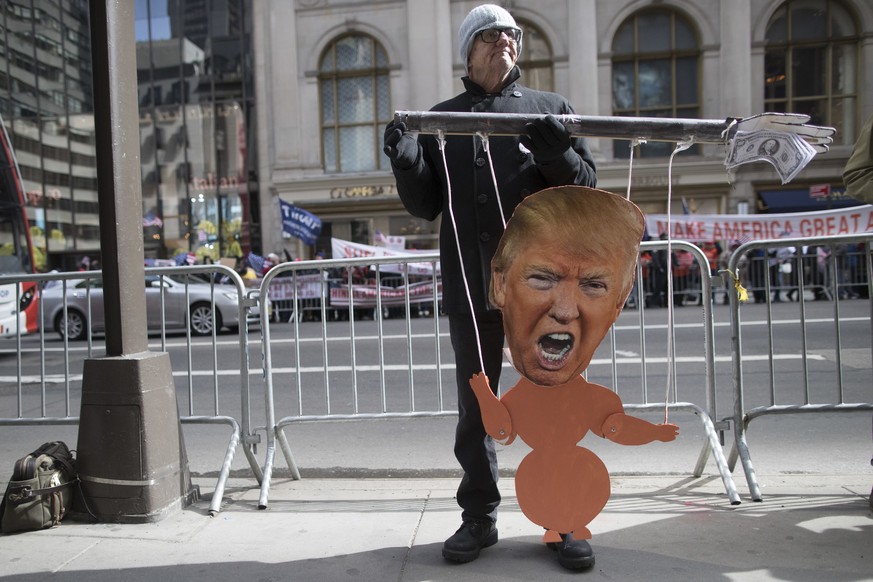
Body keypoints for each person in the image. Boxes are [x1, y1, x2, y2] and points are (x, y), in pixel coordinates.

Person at [383, 3, 596, 566]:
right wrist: (408, 160)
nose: (504, 40)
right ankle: (478, 516)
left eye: (511, 34)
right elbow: (425, 203)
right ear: (469, 50)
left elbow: (586, 186)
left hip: (546, 296)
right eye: (490, 34)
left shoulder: (549, 110)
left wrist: (559, 152)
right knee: (477, 408)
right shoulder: (441, 118)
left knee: (552, 400)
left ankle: (562, 516)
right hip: (472, 290)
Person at [472, 185, 678, 570]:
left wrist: (653, 432)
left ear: (620, 300)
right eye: (543, 278)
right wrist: (484, 395)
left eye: (593, 285)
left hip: (581, 482)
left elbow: (614, 427)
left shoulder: (592, 400)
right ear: (500, 284)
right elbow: (502, 431)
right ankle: (488, 519)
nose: (565, 310)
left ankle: (567, 526)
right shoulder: (520, 397)